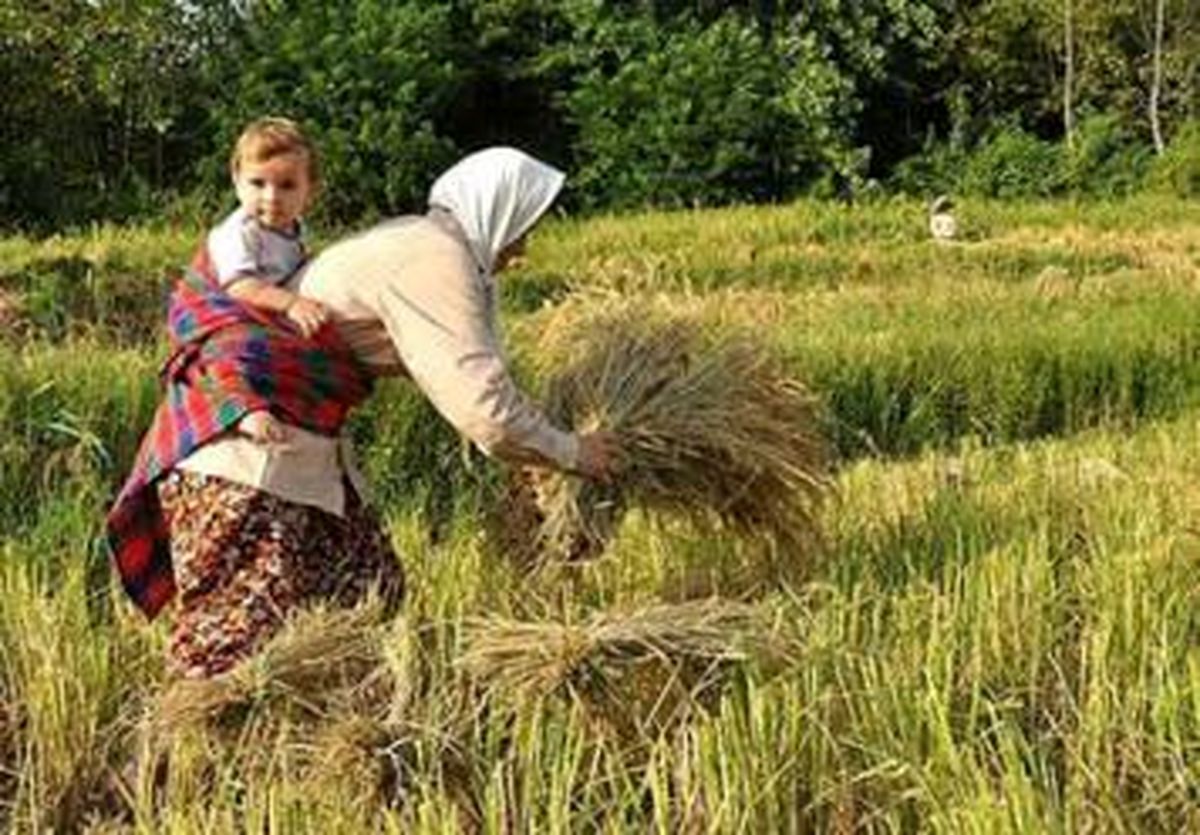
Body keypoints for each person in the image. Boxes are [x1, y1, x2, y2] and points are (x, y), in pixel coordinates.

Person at [108, 146, 618, 679]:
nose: (523, 251)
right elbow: (483, 408)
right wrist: (573, 452)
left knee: (367, 596)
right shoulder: (433, 259)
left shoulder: (423, 244)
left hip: (296, 454)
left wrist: (535, 457)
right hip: (248, 458)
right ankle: (180, 756)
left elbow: (473, 377)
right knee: (234, 647)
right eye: (523, 228)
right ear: (499, 212)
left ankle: (316, 745)